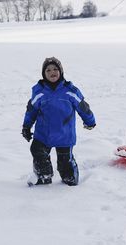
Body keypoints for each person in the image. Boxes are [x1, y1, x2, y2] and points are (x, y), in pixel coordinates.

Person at [22, 57, 96, 186]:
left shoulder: (70, 91)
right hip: (43, 134)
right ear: (43, 74)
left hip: (64, 134)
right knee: (37, 152)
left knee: (65, 164)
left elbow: (83, 107)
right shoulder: (39, 92)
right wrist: (26, 127)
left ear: (61, 71)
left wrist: (89, 121)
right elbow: (31, 110)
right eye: (48, 70)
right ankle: (44, 176)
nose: (52, 72)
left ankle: (70, 180)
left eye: (55, 69)